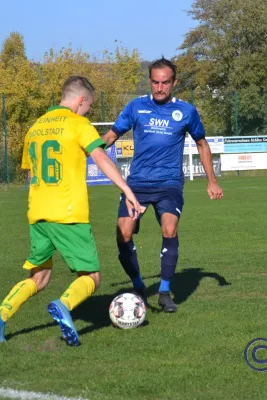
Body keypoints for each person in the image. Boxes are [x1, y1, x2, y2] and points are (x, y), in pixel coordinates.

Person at [0, 76, 143, 346]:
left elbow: (31, 171)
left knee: (39, 277)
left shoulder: (34, 128)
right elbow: (101, 157)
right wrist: (128, 192)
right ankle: (63, 305)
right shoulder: (78, 124)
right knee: (92, 277)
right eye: (89, 106)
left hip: (37, 213)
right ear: (80, 100)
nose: (88, 111)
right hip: (68, 214)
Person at [101, 57, 224, 313]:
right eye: (155, 82)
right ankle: (137, 286)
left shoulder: (187, 111)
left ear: (174, 83)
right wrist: (89, 149)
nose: (159, 87)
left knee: (169, 228)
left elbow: (202, 144)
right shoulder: (136, 107)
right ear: (149, 81)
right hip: (136, 184)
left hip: (169, 183)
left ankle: (165, 292)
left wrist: (211, 181)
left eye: (165, 82)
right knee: (123, 234)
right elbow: (112, 135)